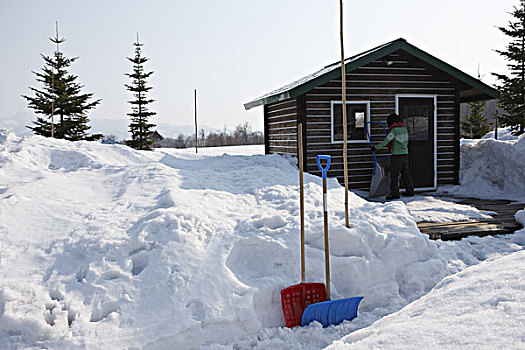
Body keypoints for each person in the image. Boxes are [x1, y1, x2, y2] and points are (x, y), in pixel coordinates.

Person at [371, 113, 414, 200]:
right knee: (406, 174)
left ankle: (394, 194)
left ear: (393, 123)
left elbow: (386, 141)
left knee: (394, 175)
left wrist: (375, 148)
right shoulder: (404, 130)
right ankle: (410, 191)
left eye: (390, 124)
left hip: (397, 156)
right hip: (405, 154)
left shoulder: (394, 131)